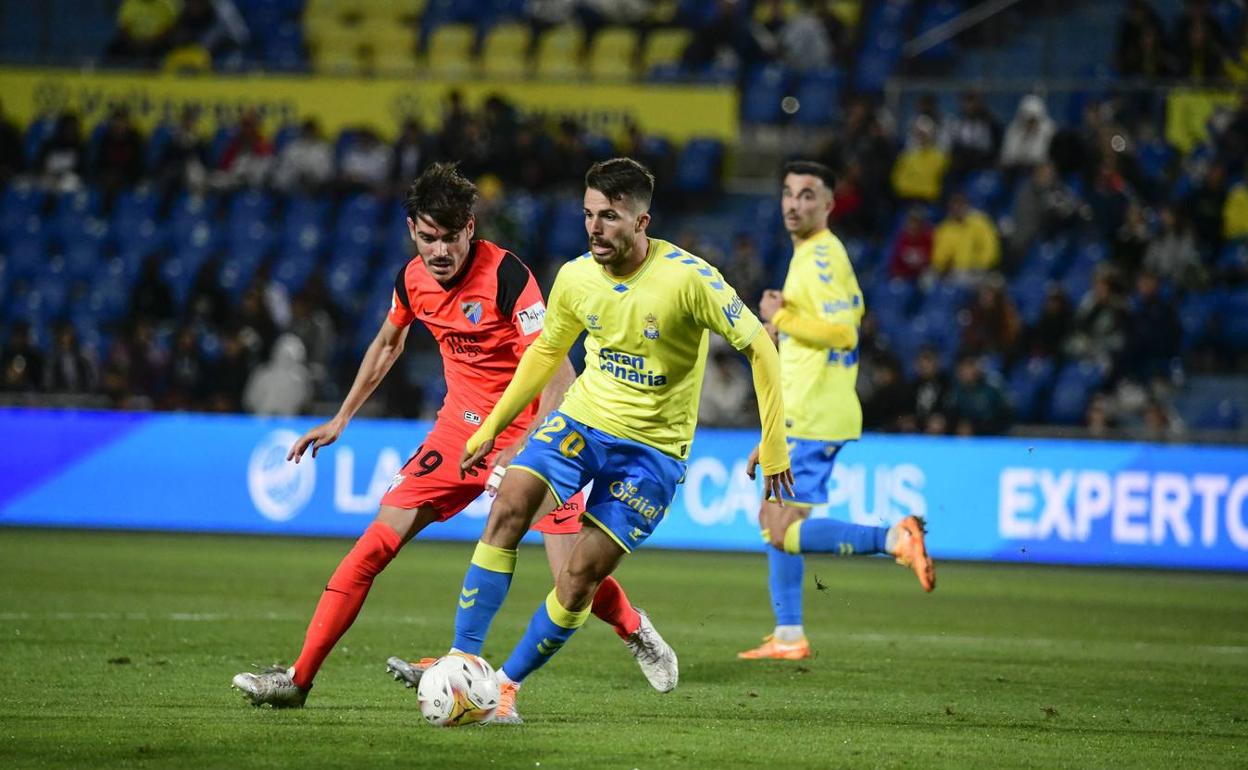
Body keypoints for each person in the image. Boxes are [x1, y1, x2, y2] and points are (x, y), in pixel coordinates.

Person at [231, 163, 667, 707]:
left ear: (470, 229)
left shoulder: (509, 278)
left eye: (450, 238)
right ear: (412, 229)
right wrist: (341, 417)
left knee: (571, 578)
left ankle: (632, 628)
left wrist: (521, 443)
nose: (439, 251)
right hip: (457, 434)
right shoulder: (410, 279)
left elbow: (560, 375)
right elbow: (388, 344)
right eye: (427, 237)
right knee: (372, 547)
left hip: (535, 435)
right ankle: (298, 681)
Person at [444, 157, 793, 724]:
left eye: (609, 216)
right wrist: (491, 428)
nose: (594, 228)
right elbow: (545, 353)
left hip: (653, 453)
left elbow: (762, 348)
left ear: (641, 221)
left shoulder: (689, 280)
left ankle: (505, 688)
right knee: (507, 507)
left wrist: (774, 443)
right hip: (583, 420)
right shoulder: (576, 278)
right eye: (587, 214)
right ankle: (462, 660)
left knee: (579, 577)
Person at [737, 161, 935, 662]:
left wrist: (780, 317)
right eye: (787, 193)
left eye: (807, 195)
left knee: (780, 527)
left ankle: (893, 538)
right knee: (776, 519)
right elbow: (851, 311)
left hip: (814, 414)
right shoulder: (815, 256)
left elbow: (846, 331)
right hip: (806, 412)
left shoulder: (821, 255)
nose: (794, 203)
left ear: (828, 204)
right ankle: (787, 636)